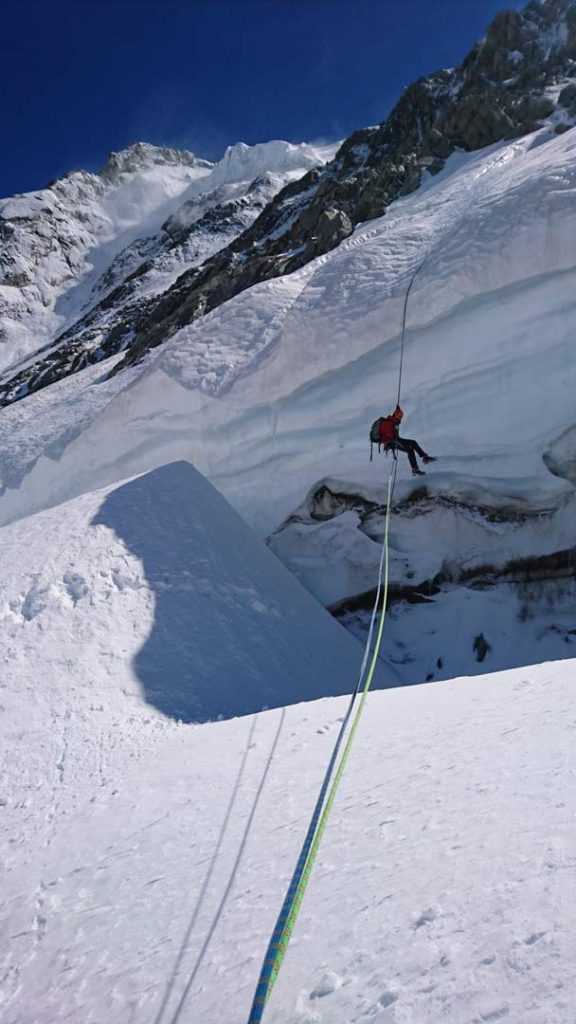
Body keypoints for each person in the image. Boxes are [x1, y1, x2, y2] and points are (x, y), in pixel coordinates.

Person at [379, 405, 436, 476]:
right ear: (395, 415)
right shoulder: (389, 423)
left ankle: (424, 457)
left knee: (413, 442)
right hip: (391, 442)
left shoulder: (394, 422)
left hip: (395, 439)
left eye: (401, 417)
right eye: (399, 417)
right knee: (409, 449)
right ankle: (415, 469)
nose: (400, 419)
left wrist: (398, 409)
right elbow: (389, 436)